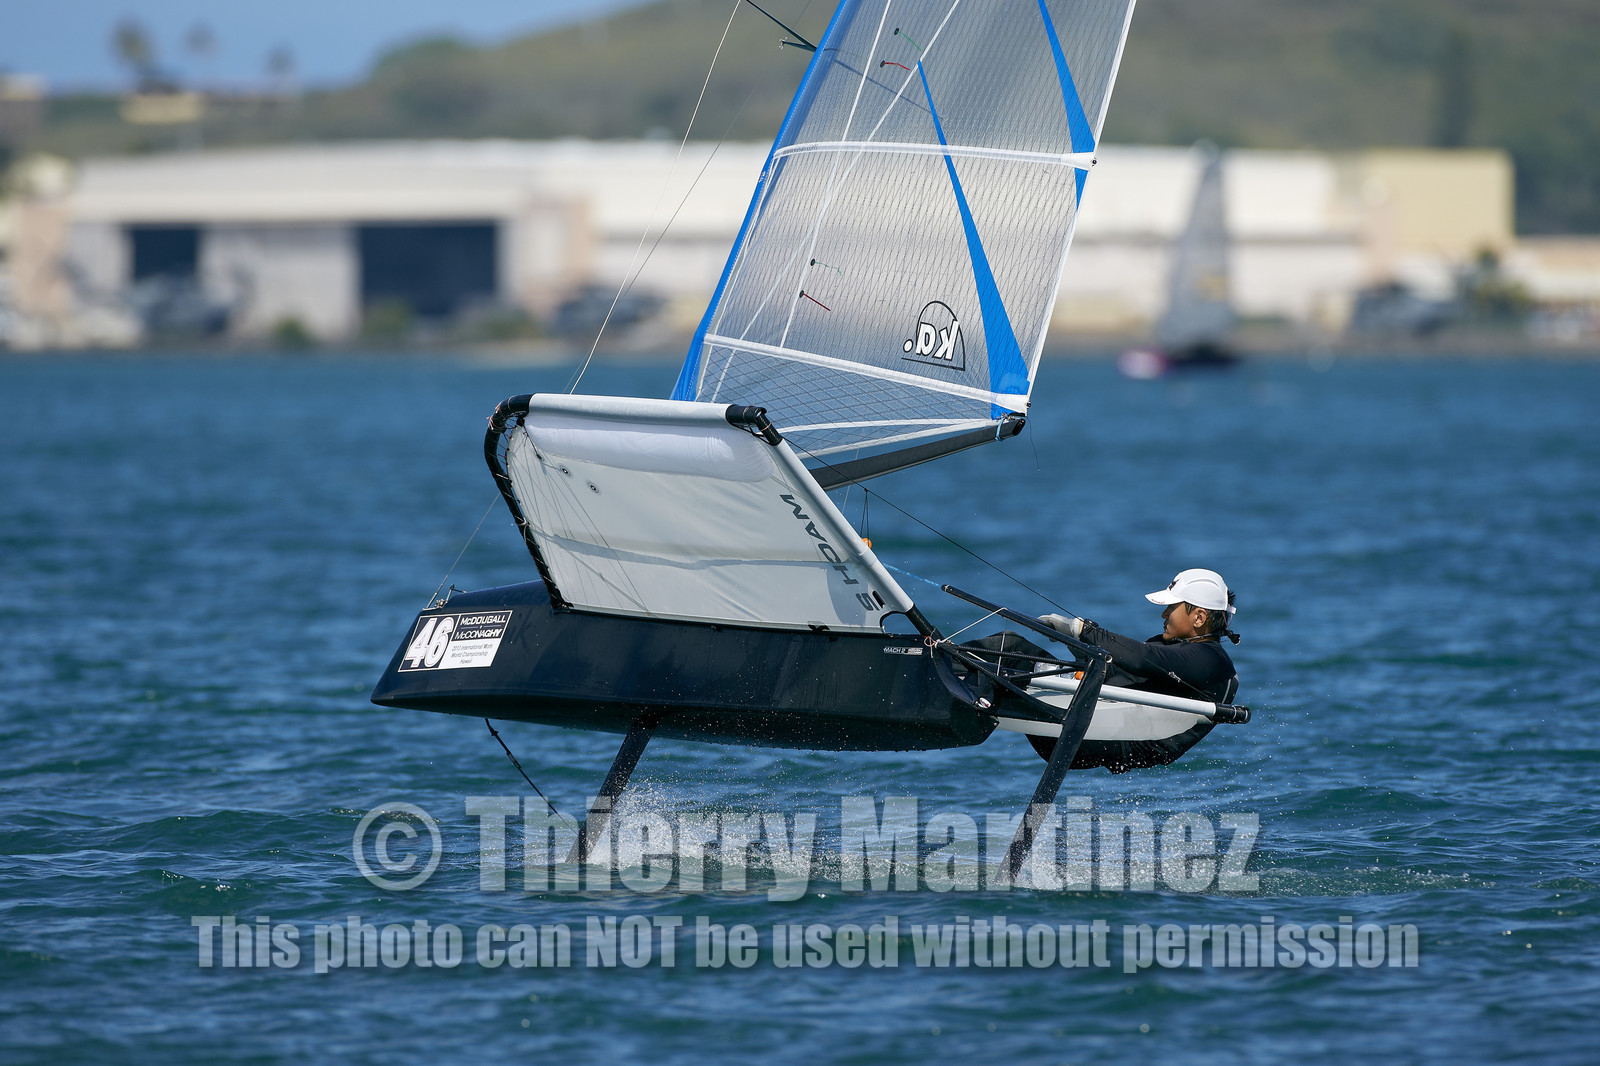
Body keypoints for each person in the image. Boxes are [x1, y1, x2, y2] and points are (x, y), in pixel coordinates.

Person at [962, 568, 1240, 770]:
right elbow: (1117, 670)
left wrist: (1083, 630)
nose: (1164, 614)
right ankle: (952, 694)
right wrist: (1073, 640)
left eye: (1171, 607)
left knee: (1011, 650)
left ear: (1199, 617)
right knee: (1009, 649)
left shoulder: (1213, 660)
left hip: (1106, 738)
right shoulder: (1175, 648)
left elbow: (1143, 658)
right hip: (1092, 724)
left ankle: (945, 692)